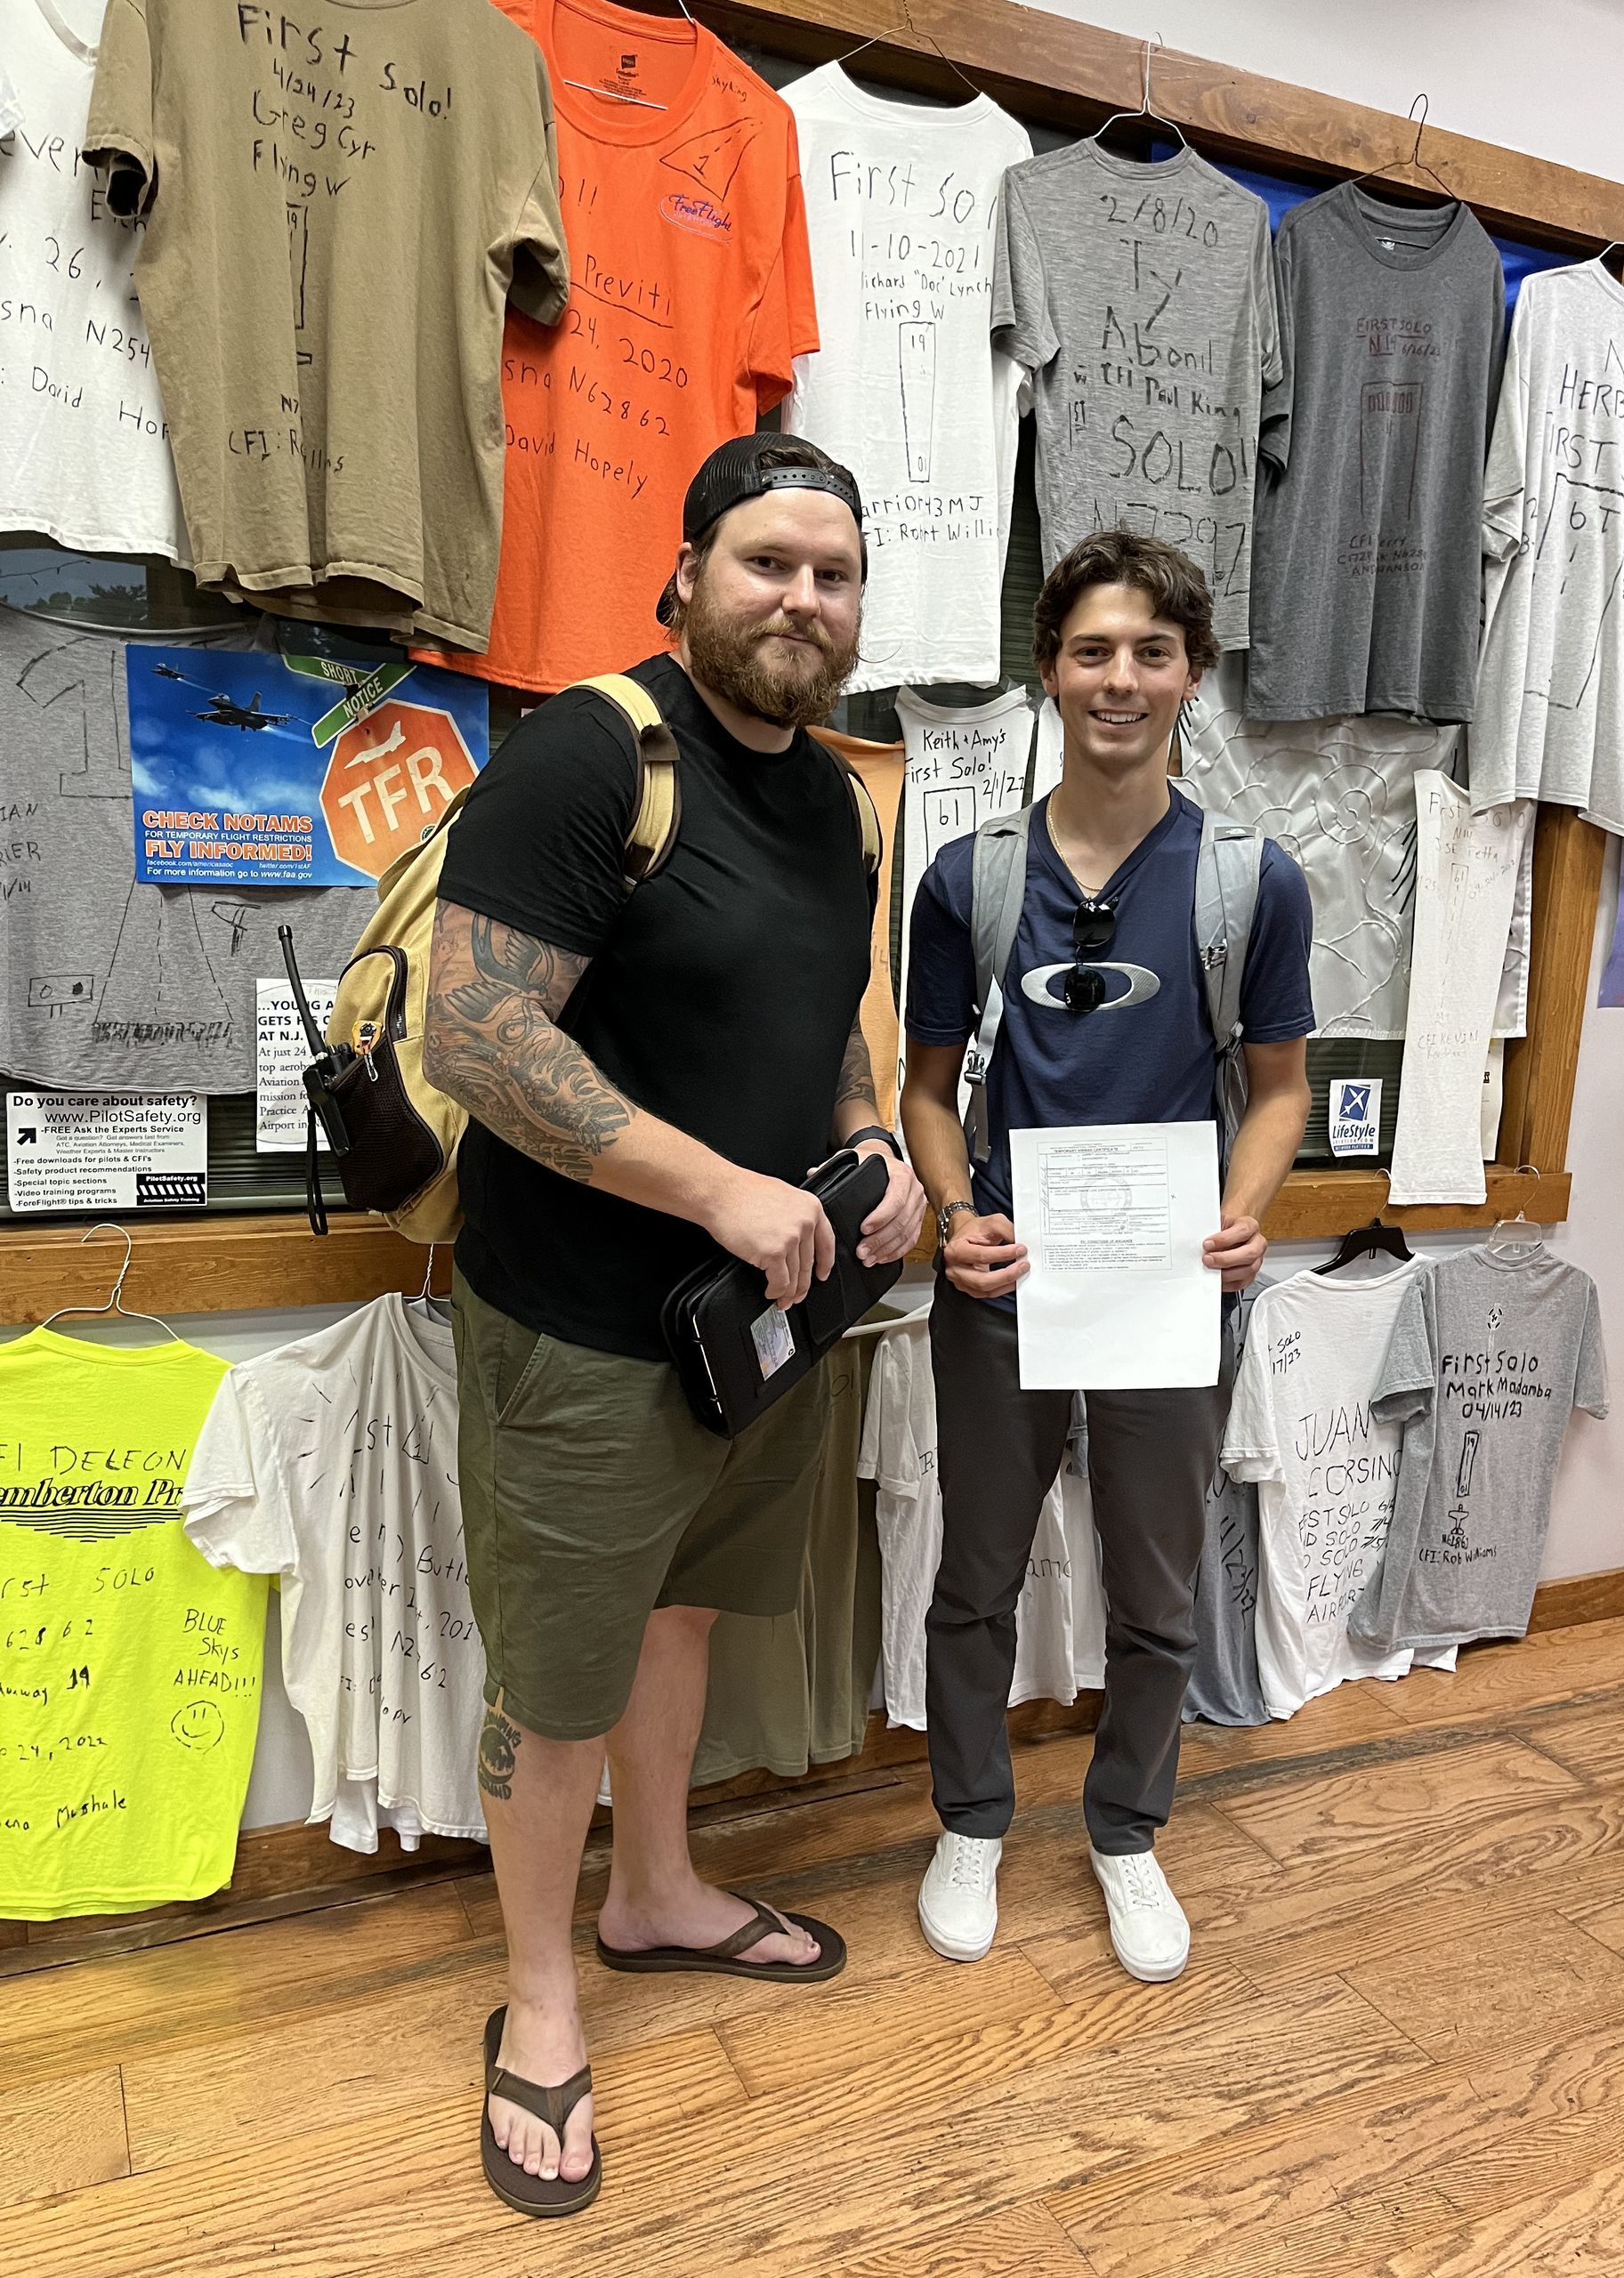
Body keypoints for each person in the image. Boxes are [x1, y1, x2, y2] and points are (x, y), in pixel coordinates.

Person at [422, 432, 926, 2217]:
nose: (804, 598)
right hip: (578, 1327)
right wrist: (719, 1186)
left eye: (834, 571)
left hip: (758, 1327)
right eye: (769, 560)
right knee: (559, 1680)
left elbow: (830, 1018)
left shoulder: (834, 797)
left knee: (686, 1615)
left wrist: (867, 1140)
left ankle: (656, 1895)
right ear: (689, 571)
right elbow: (472, 1035)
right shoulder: (590, 750)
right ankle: (543, 1992)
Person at [899, 530, 1314, 1983]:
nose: (1119, 679)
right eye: (1092, 651)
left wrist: (1241, 1215)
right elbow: (927, 1090)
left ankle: (1128, 1831)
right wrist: (955, 1216)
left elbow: (1276, 1090)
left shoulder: (1250, 884)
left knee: (1157, 1586)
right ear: (1048, 669)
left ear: (1191, 675)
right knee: (979, 1572)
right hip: (1009, 1282)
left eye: (1150, 652)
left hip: (1165, 1289)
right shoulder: (969, 878)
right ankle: (971, 1819)